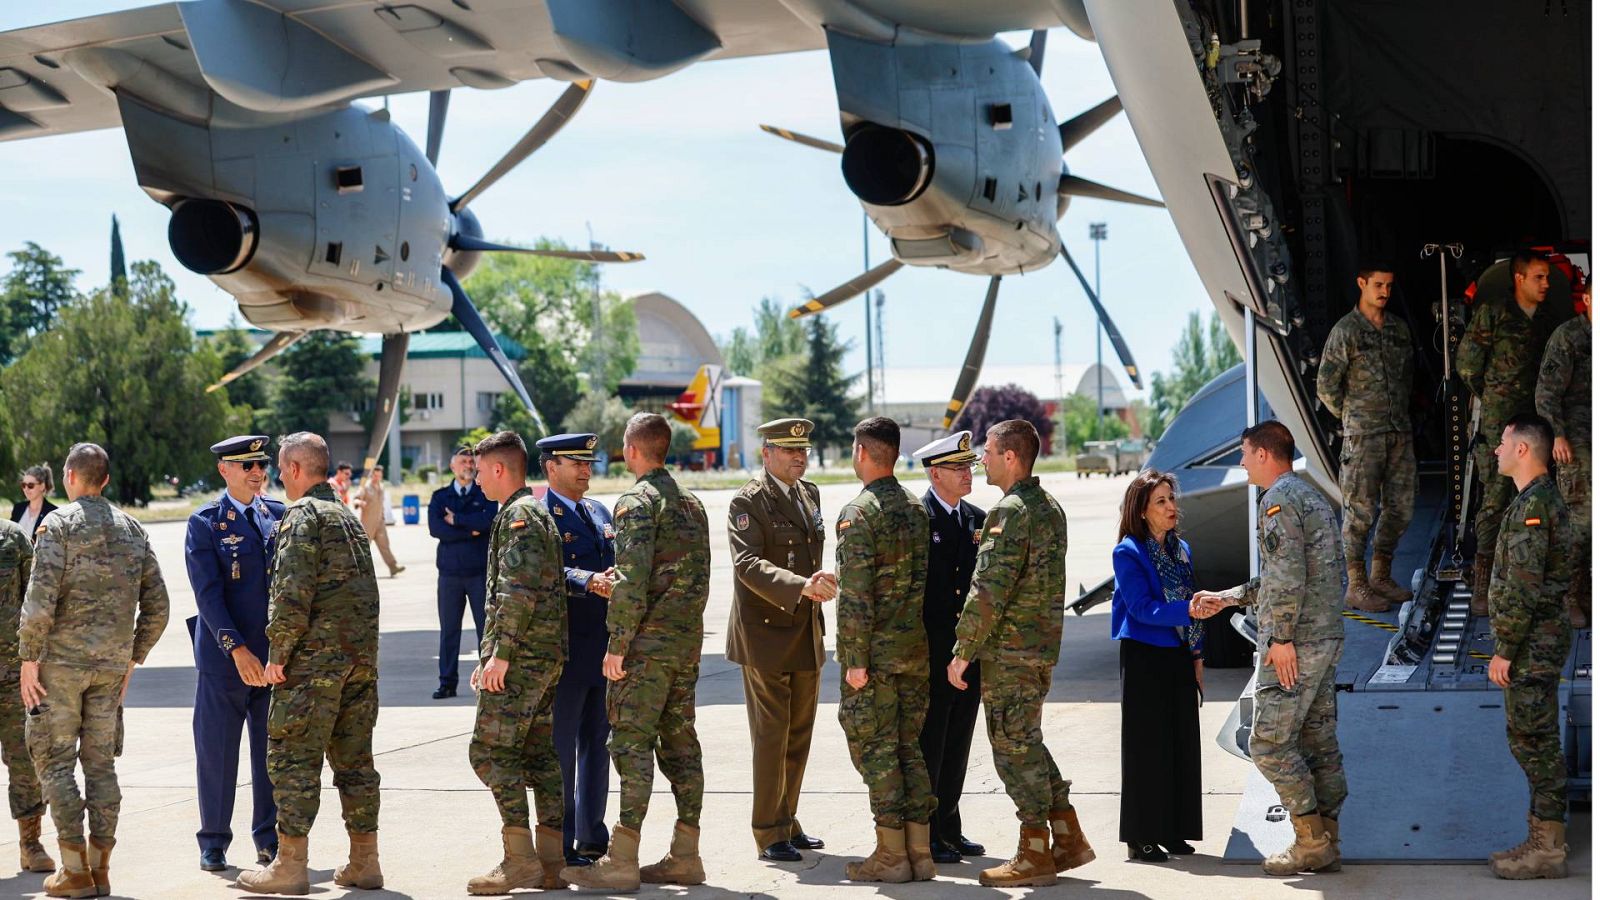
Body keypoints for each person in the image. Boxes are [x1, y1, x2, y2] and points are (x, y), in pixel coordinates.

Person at [562, 413, 710, 891]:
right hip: (685, 645)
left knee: (630, 744)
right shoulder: (691, 504)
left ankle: (622, 858)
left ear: (632, 449)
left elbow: (631, 581)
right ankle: (686, 853)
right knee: (682, 745)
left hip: (645, 648)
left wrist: (618, 645)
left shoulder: (636, 503)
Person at [19, 442, 169, 897]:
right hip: (109, 669)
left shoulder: (58, 526)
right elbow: (158, 607)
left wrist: (28, 661)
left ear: (68, 477)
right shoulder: (133, 529)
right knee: (101, 765)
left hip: (61, 667)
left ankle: (74, 870)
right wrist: (131, 658)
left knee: (56, 761)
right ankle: (101, 867)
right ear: (104, 480)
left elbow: (40, 601)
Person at [1196, 420, 1346, 876]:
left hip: (1295, 644)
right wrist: (1228, 597)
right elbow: (1303, 573)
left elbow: (1286, 580)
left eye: (1244, 454)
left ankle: (1310, 840)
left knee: (1268, 744)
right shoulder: (1311, 497)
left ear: (1263, 454)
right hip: (1324, 639)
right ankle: (1328, 836)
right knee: (1317, 741)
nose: (1241, 463)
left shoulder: (1277, 501)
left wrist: (1280, 639)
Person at [948, 419, 1093, 887]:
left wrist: (962, 651)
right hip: (1039, 648)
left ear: (1010, 457)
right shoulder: (1048, 507)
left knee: (1012, 750)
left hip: (1011, 653)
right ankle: (1068, 835)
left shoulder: (1009, 512)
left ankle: (1034, 852)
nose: (981, 460)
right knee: (1026, 741)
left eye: (988, 452)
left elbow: (988, 589)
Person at [238, 433, 383, 895]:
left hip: (313, 664)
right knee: (355, 761)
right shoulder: (345, 514)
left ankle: (290, 866)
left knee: (292, 758)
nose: (279, 476)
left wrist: (278, 654)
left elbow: (291, 592)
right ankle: (365, 861)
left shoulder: (301, 515)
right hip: (359, 662)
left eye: (282, 468)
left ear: (297, 469)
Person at [726, 417, 837, 861]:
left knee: (798, 734)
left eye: (804, 451)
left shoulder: (809, 493)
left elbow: (810, 552)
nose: (799, 458)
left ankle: (787, 819)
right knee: (772, 735)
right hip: (767, 634)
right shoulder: (748, 500)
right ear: (766, 453)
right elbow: (747, 563)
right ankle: (768, 832)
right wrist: (800, 586)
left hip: (805, 628)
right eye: (789, 450)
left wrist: (821, 580)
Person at [465, 430, 569, 895]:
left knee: (488, 752)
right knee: (538, 755)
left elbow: (517, 589)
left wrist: (501, 654)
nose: (476, 478)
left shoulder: (520, 517)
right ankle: (551, 862)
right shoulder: (534, 511)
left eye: (480, 470)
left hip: (523, 657)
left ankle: (519, 860)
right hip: (541, 655)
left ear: (500, 469)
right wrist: (490, 652)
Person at [834, 416, 934, 883]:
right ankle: (920, 850)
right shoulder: (916, 509)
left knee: (876, 752)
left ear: (861, 453)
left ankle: (891, 854)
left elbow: (855, 597)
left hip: (873, 658)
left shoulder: (859, 514)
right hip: (913, 651)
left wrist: (853, 661)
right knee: (908, 748)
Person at [184, 435, 284, 872]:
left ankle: (268, 839)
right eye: (246, 466)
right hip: (225, 665)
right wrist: (237, 650)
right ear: (224, 470)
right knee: (217, 756)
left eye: (260, 464)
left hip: (272, 662)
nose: (257, 472)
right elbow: (207, 596)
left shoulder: (279, 517)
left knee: (270, 759)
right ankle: (213, 842)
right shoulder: (206, 522)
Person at [1110, 470, 1216, 863]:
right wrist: (1186, 610)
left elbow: (1194, 603)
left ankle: (1174, 828)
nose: (1172, 508)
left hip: (1178, 651)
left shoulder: (1181, 548)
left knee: (1180, 741)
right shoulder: (1128, 552)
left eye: (1172, 499)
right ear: (1142, 512)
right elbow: (1141, 608)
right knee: (1146, 747)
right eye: (1161, 502)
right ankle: (1141, 836)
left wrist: (1198, 656)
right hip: (1144, 654)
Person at [1484, 414, 1573, 880]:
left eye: (1502, 442)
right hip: (1534, 642)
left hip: (1532, 645)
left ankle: (1548, 850)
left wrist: (1506, 649)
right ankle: (1541, 837)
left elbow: (1523, 585)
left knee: (1535, 743)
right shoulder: (1531, 502)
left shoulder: (1535, 506)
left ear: (1523, 449)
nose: (1496, 450)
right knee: (1530, 740)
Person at [1458, 249, 1562, 614]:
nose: (1546, 284)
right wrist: (1493, 396)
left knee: (1544, 498)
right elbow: (1468, 365)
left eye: (1548, 277)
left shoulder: (1550, 319)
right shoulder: (1494, 314)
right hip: (1502, 423)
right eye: (1539, 277)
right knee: (1496, 498)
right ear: (1519, 278)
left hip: (1539, 423)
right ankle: (1483, 583)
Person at [536, 433, 617, 866]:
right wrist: (585, 579)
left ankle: (592, 836)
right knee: (561, 750)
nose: (586, 469)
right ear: (551, 467)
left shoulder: (599, 511)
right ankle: (561, 842)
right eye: (576, 462)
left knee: (598, 745)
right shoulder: (539, 515)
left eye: (589, 462)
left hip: (602, 650)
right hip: (564, 652)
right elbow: (545, 568)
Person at [1316, 260, 1416, 612]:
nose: (1385, 292)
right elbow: (1326, 386)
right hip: (1362, 435)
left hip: (1397, 431)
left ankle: (1381, 576)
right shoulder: (1346, 331)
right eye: (1378, 285)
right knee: (1359, 511)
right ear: (1362, 283)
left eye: (1389, 285)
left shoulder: (1398, 330)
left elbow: (1406, 380)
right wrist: (1352, 415)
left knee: (1401, 506)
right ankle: (1356, 584)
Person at [911, 431, 987, 864]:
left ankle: (952, 825)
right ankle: (931, 831)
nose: (967, 474)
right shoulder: (920, 519)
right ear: (935, 473)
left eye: (969, 466)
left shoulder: (977, 519)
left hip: (968, 650)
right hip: (934, 651)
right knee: (932, 743)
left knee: (959, 740)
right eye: (958, 468)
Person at [1535, 284, 1590, 627]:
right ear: (1587, 299)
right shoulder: (1569, 337)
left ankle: (1587, 593)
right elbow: (1547, 392)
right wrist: (1557, 434)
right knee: (1579, 523)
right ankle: (1570, 595)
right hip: (1578, 438)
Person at [0, 512, 50, 874]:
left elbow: (36, 601)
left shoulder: (12, 538)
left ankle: (30, 843)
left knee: (25, 761)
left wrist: (34, 660)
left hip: (12, 676)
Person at [428, 447, 497, 700]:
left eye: (471, 461)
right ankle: (447, 683)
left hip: (479, 573)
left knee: (485, 630)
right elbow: (436, 529)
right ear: (452, 466)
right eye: (463, 461)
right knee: (449, 631)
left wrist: (456, 520)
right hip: (449, 575)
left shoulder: (485, 494)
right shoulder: (440, 497)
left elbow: (488, 521)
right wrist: (470, 530)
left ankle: (487, 682)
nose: (467, 465)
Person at [352, 465, 404, 578]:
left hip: (380, 523)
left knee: (385, 545)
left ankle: (393, 567)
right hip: (367, 525)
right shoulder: (365, 487)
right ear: (371, 475)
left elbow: (381, 505)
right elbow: (356, 498)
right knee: (363, 548)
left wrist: (383, 519)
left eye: (379, 475)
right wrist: (359, 503)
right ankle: (355, 571)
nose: (377, 478)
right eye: (375, 475)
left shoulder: (382, 486)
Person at [11, 463, 58, 536]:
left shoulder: (52, 513)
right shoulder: (18, 508)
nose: (26, 489)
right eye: (23, 485)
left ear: (42, 486)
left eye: (30, 485)